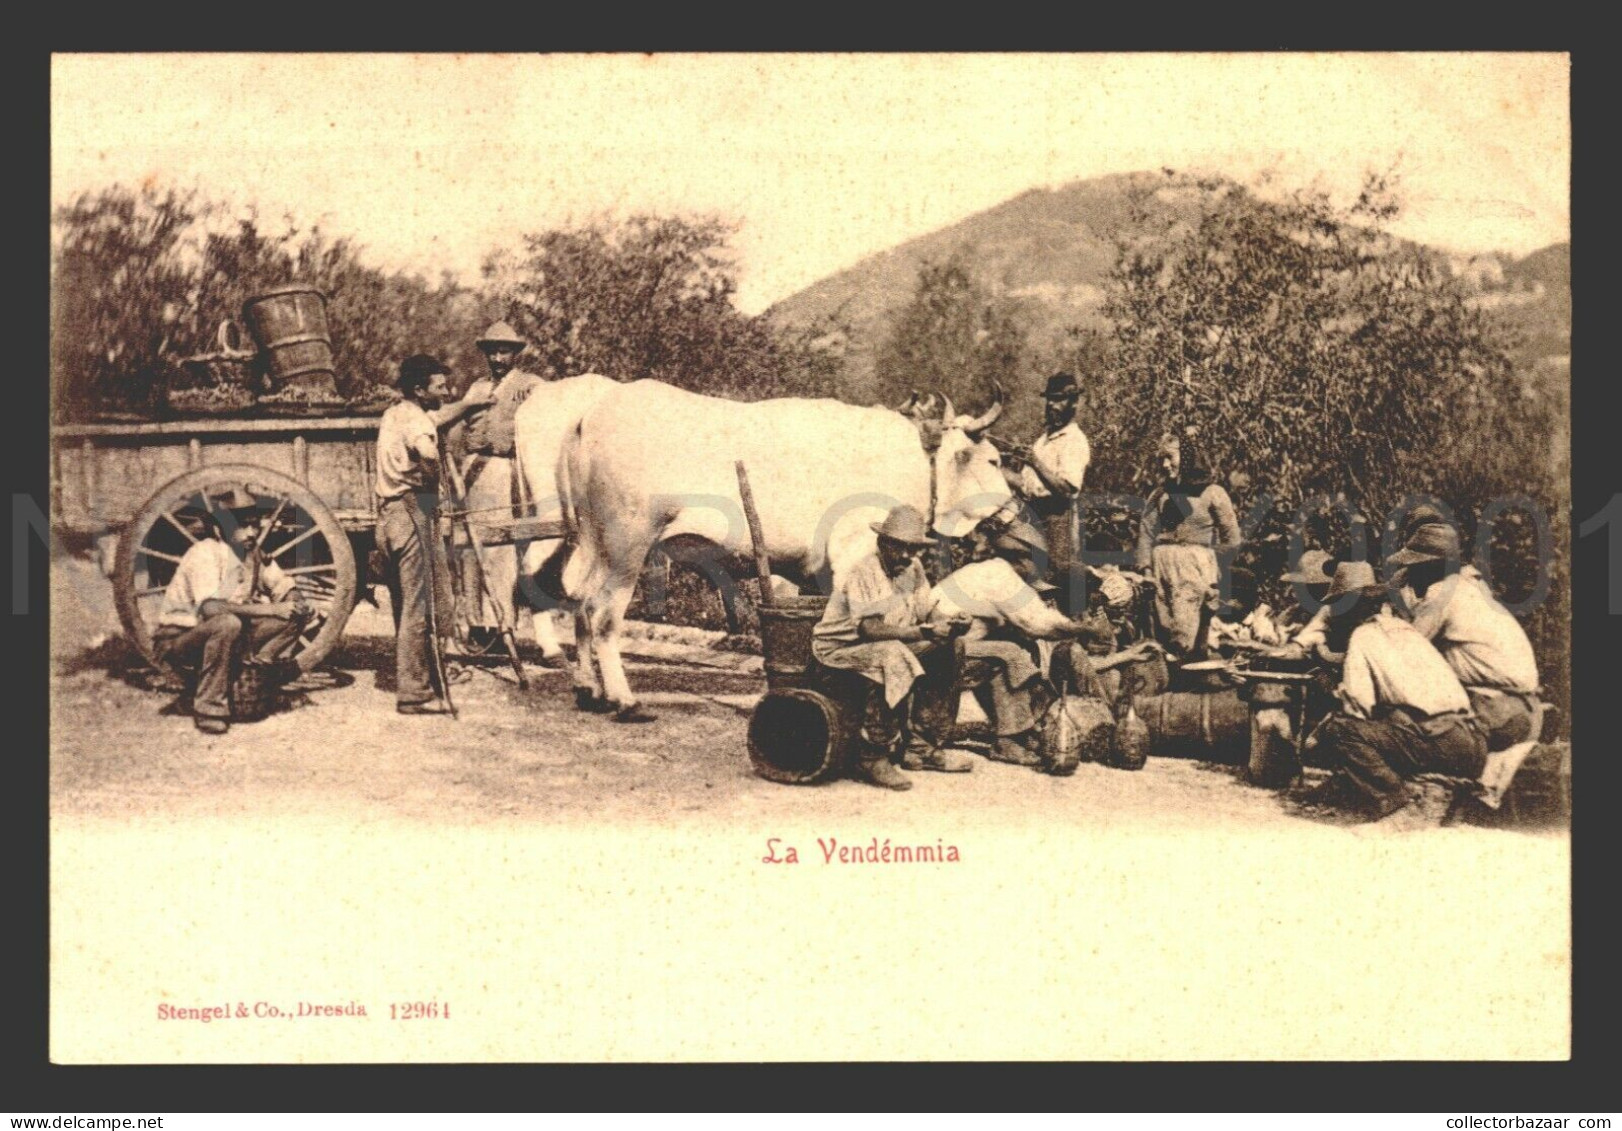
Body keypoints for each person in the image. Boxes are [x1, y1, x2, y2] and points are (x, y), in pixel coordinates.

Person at [1305, 561, 1486, 821]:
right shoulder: (1409, 632)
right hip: (1470, 743)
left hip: (1437, 741)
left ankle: (1395, 801)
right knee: (1390, 725)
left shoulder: (1363, 636)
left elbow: (1358, 707)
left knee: (1341, 730)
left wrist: (1325, 717)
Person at [811, 504, 975, 790]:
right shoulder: (866, 571)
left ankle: (922, 748)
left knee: (952, 647)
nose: (905, 556)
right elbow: (869, 629)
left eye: (913, 549)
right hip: (837, 653)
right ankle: (872, 755)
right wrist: (923, 631)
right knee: (892, 653)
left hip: (881, 647)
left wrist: (951, 623)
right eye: (898, 547)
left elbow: (927, 613)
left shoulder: (913, 568)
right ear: (881, 542)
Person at [375, 354, 493, 714]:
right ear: (418, 390)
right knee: (419, 604)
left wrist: (470, 404)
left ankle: (421, 677)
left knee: (410, 601)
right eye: (439, 387)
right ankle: (413, 693)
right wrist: (435, 488)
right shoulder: (415, 422)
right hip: (413, 511)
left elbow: (437, 417)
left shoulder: (399, 412)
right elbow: (427, 452)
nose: (447, 391)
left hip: (393, 513)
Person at [926, 522, 1095, 768]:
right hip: (939, 652)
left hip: (946, 649)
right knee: (1009, 653)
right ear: (1024, 559)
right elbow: (1038, 623)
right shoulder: (1001, 576)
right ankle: (1010, 739)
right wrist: (1084, 628)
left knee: (1007, 649)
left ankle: (1011, 733)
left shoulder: (987, 570)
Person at [151, 487, 310, 735]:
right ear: (218, 530)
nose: (252, 532)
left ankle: (258, 677)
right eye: (243, 526)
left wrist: (295, 600)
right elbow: (211, 609)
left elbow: (281, 584)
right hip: (182, 640)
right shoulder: (205, 552)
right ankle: (208, 706)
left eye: (255, 524)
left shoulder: (253, 553)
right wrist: (272, 608)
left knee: (295, 615)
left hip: (228, 636)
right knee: (227, 623)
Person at [1388, 521, 1541, 772]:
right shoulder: (1471, 588)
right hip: (1524, 709)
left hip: (1496, 709)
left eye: (1414, 566)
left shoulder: (1442, 593)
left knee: (1403, 724)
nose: (1411, 573)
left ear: (1433, 566)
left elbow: (1404, 651)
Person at [449, 320, 551, 655]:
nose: (497, 357)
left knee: (503, 550)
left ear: (515, 354)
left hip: (509, 471)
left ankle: (503, 626)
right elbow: (458, 428)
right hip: (473, 472)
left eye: (503, 350)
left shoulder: (532, 387)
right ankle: (478, 627)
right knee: (470, 550)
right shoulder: (476, 389)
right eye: (491, 351)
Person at [1134, 433, 1242, 655]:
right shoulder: (1160, 495)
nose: (1165, 465)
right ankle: (1167, 673)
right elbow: (1145, 533)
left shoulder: (1213, 493)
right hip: (1161, 565)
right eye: (1161, 459)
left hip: (1195, 566)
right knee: (1161, 621)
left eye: (1170, 457)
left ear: (1187, 458)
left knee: (1187, 626)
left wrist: (1211, 567)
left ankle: (1191, 667)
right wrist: (1145, 570)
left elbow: (1232, 539)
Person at [1005, 372, 1091, 610]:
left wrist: (1034, 462)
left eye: (1059, 400)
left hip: (1056, 517)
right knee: (1030, 574)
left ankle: (1069, 630)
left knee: (1056, 575)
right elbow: (1025, 484)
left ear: (1073, 403)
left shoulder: (1074, 440)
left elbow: (1066, 489)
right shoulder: (1044, 439)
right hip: (1032, 513)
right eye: (1050, 399)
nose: (1052, 405)